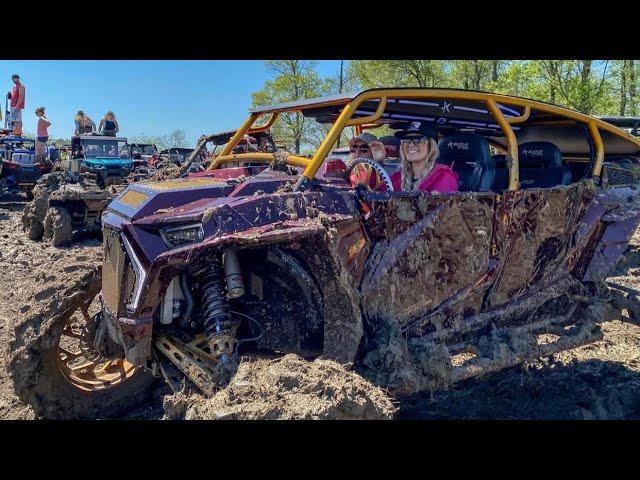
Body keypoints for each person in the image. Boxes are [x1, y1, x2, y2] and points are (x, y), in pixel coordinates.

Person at [391, 122, 458, 193]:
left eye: (418, 140)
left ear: (431, 145)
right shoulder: (396, 178)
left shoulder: (444, 177)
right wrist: (378, 161)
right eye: (406, 139)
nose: (410, 145)